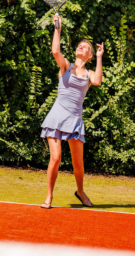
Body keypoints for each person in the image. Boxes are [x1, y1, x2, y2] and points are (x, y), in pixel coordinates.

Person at [39, 13, 103, 209]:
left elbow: (98, 81)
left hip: (75, 120)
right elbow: (55, 51)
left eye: (85, 47)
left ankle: (80, 192)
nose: (80, 47)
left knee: (78, 165)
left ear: (90, 56)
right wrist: (57, 28)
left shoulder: (90, 73)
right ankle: (49, 197)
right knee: (56, 158)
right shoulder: (65, 66)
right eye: (79, 45)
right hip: (57, 117)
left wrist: (100, 58)